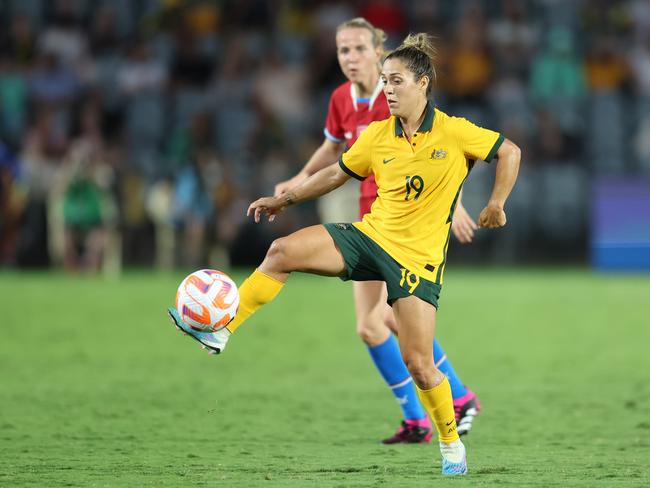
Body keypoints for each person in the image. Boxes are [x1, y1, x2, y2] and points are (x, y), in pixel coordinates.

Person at [169, 32, 521, 476]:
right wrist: (287, 198)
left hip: (417, 262)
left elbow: (510, 151)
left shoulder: (455, 131)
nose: (388, 90)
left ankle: (451, 444)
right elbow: (336, 174)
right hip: (369, 238)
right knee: (280, 252)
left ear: (424, 83)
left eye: (397, 81)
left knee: (419, 363)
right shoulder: (378, 135)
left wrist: (495, 204)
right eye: (386, 82)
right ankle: (221, 330)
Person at [273, 18, 480, 442]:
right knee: (375, 324)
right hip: (368, 221)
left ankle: (448, 402)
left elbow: (435, 154)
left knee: (377, 323)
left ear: (377, 49)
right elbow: (332, 149)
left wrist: (456, 205)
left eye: (358, 49)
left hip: (406, 226)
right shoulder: (341, 99)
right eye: (342, 50)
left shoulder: (396, 95)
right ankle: (431, 413)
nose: (350, 58)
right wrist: (297, 180)